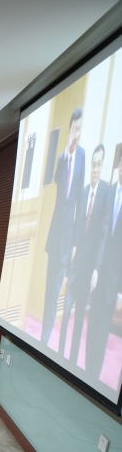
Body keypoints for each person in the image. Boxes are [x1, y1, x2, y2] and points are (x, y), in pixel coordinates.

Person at [59, 145, 110, 363]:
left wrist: (96, 268)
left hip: (90, 269)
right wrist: (70, 253)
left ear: (103, 165)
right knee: (66, 312)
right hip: (75, 266)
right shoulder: (83, 191)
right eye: (93, 165)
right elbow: (75, 227)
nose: (95, 169)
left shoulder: (106, 193)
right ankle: (60, 353)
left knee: (79, 316)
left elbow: (104, 234)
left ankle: (71, 360)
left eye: (99, 165)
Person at [42, 108, 86, 346]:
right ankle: (46, 333)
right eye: (75, 129)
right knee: (51, 287)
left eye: (80, 129)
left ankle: (60, 338)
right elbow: (57, 181)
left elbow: (80, 199)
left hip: (72, 238)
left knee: (67, 288)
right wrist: (66, 152)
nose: (77, 133)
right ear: (70, 129)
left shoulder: (83, 156)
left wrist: (77, 242)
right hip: (56, 234)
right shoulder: (63, 158)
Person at [84, 146, 122, 383]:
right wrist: (95, 268)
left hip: (115, 281)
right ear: (118, 167)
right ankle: (89, 372)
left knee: (103, 331)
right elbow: (98, 234)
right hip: (97, 274)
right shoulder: (107, 192)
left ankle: (95, 379)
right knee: (93, 328)